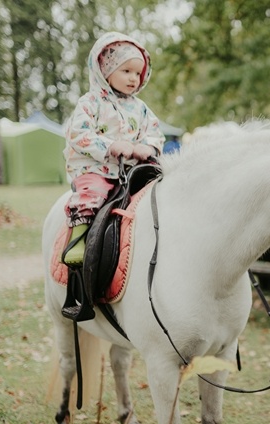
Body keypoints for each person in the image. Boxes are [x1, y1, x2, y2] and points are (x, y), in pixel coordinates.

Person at [62, 32, 165, 265]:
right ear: (105, 71)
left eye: (138, 73)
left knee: (156, 193)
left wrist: (146, 147)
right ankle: (78, 240)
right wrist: (110, 146)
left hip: (130, 171)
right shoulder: (91, 102)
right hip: (96, 168)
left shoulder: (141, 109)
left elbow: (156, 133)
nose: (133, 79)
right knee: (92, 194)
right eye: (126, 71)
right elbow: (78, 133)